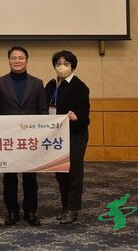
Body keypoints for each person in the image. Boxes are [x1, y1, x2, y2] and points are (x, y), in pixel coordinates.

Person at [0, 46, 47, 226]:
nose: (17, 61)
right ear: (9, 61)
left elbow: (43, 112)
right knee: (9, 177)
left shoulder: (37, 83)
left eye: (20, 58)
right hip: (8, 139)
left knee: (30, 177)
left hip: (30, 140)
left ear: (26, 60)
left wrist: (40, 135)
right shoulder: (0, 82)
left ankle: (30, 211)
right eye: (13, 58)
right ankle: (12, 211)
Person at [44, 50, 90, 225]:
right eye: (58, 64)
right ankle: (65, 206)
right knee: (60, 173)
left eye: (66, 64)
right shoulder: (51, 85)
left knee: (73, 172)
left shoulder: (80, 86)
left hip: (75, 135)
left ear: (73, 66)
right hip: (56, 137)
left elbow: (85, 115)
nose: (61, 67)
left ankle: (73, 209)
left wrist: (76, 116)